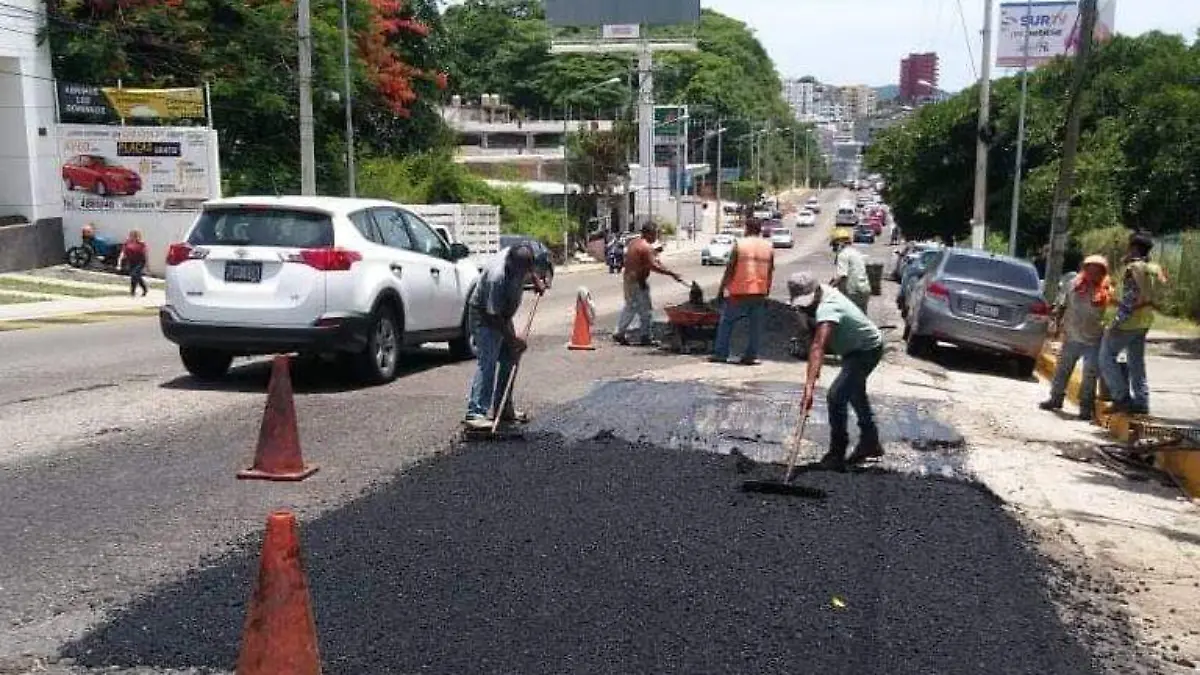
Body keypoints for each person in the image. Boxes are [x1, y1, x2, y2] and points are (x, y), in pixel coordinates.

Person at [789, 272, 885, 472]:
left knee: (837, 395)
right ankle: (870, 441)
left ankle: (837, 453)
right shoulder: (816, 297)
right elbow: (809, 332)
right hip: (852, 348)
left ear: (816, 291)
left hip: (866, 349)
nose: (805, 306)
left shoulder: (828, 307)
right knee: (855, 393)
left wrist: (809, 387)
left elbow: (818, 346)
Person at [464, 245, 545, 430]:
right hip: (484, 315)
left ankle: (504, 408)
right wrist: (513, 340)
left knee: (510, 358)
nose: (521, 275)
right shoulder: (497, 277)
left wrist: (536, 280)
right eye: (520, 272)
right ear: (510, 263)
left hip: (502, 315)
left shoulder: (521, 257)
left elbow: (531, 268)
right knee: (489, 362)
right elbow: (493, 316)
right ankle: (475, 413)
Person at [1099, 231, 1168, 415]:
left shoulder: (1133, 269)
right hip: (1145, 321)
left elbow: (1130, 300)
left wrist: (1115, 324)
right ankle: (1141, 402)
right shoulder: (1154, 268)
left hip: (1129, 323)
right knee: (1136, 363)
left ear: (1134, 248)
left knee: (1105, 356)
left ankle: (1121, 398)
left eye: (1129, 247)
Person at [1039, 255, 1113, 420]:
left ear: (1103, 272)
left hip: (1094, 339)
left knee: (1090, 375)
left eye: (1097, 270)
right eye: (1090, 268)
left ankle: (1086, 408)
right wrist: (1056, 326)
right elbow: (1062, 305)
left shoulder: (1106, 290)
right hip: (1072, 335)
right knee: (1062, 369)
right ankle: (1055, 398)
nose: (1093, 273)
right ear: (1085, 269)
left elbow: (1111, 313)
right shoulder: (1073, 284)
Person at [711, 218, 775, 365]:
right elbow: (770, 272)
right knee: (755, 326)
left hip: (739, 292)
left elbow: (730, 269)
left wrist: (721, 290)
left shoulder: (740, 244)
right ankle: (751, 356)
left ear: (747, 228)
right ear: (759, 230)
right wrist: (767, 292)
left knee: (727, 322)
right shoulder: (768, 247)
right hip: (759, 292)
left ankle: (721, 353)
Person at [613, 222, 683, 346]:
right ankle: (644, 336)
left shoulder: (634, 243)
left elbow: (649, 261)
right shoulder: (646, 247)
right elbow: (654, 266)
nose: (656, 236)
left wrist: (655, 254)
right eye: (655, 233)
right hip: (637, 281)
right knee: (645, 310)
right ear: (648, 233)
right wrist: (672, 274)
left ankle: (621, 332)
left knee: (631, 306)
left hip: (629, 279)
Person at [831, 232, 871, 314]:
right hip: (864, 289)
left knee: (849, 317)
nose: (833, 248)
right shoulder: (856, 252)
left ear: (839, 243)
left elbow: (842, 275)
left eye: (834, 245)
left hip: (852, 291)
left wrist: (829, 288)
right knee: (862, 317)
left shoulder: (843, 254)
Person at [119, 229, 149, 297]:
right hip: (131, 261)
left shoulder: (141, 243)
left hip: (140, 261)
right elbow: (123, 251)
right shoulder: (127, 243)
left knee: (134, 274)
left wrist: (147, 265)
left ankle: (133, 291)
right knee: (136, 276)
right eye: (132, 235)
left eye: (135, 236)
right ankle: (142, 289)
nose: (133, 237)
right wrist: (120, 260)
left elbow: (145, 254)